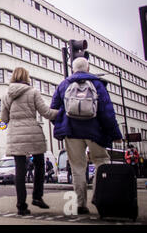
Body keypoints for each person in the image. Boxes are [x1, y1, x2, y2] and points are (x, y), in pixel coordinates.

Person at [50, 57, 122, 215]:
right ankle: (99, 198)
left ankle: (80, 204)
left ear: (73, 68)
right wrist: (115, 134)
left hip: (71, 132)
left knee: (77, 167)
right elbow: (107, 112)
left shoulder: (64, 84)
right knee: (101, 163)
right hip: (95, 131)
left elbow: (53, 110)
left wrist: (61, 125)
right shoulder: (97, 84)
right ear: (88, 68)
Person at [1, 67, 58, 216]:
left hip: (15, 135)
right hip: (32, 133)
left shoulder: (6, 95)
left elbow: (4, 119)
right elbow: (46, 113)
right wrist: (62, 112)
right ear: (27, 77)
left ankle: (21, 206)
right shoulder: (33, 92)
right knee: (40, 164)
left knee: (20, 170)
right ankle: (37, 197)